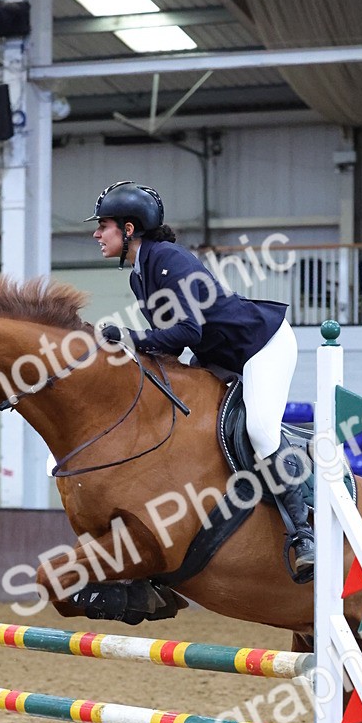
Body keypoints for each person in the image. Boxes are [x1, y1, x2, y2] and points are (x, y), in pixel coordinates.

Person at [87, 180, 314, 577]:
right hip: (219, 357)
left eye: (103, 225)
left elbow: (186, 332)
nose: (95, 233)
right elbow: (169, 348)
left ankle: (303, 533)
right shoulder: (140, 276)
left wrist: (129, 337)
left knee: (261, 432)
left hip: (261, 345)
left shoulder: (168, 259)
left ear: (128, 229)